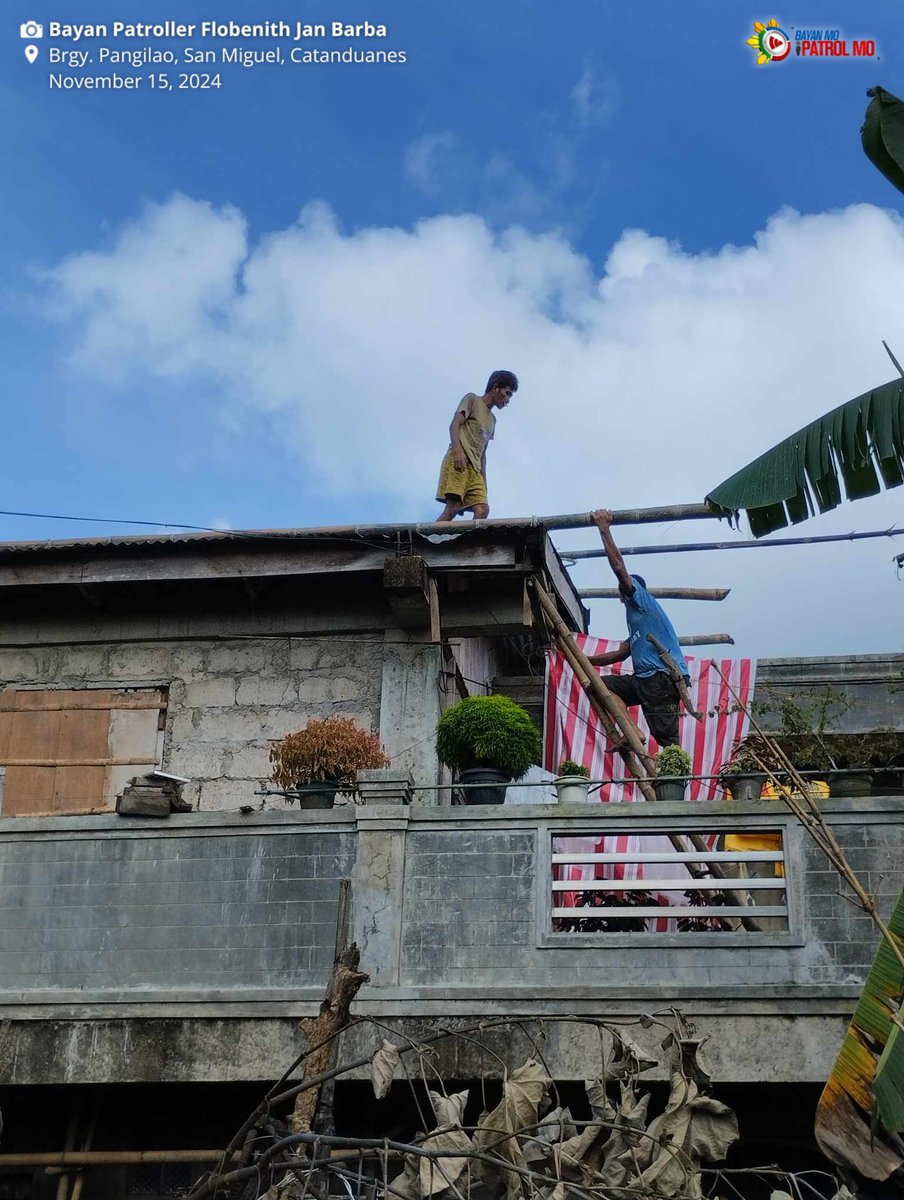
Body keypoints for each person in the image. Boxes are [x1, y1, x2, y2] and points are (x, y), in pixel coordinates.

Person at [586, 509, 690, 748]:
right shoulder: (637, 621)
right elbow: (620, 653)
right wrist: (585, 660)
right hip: (644, 680)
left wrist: (603, 528)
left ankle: (675, 781)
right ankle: (633, 732)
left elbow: (620, 569)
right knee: (600, 686)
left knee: (667, 740)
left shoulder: (641, 601)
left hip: (661, 679)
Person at [436, 370, 518, 520]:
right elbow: (454, 424)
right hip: (459, 459)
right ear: (496, 387)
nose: (507, 400)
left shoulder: (492, 420)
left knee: (482, 509)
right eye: (507, 393)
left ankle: (469, 541)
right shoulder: (472, 400)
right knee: (453, 507)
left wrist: (484, 481)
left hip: (475, 468)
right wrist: (458, 451)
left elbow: (483, 453)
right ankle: (429, 541)